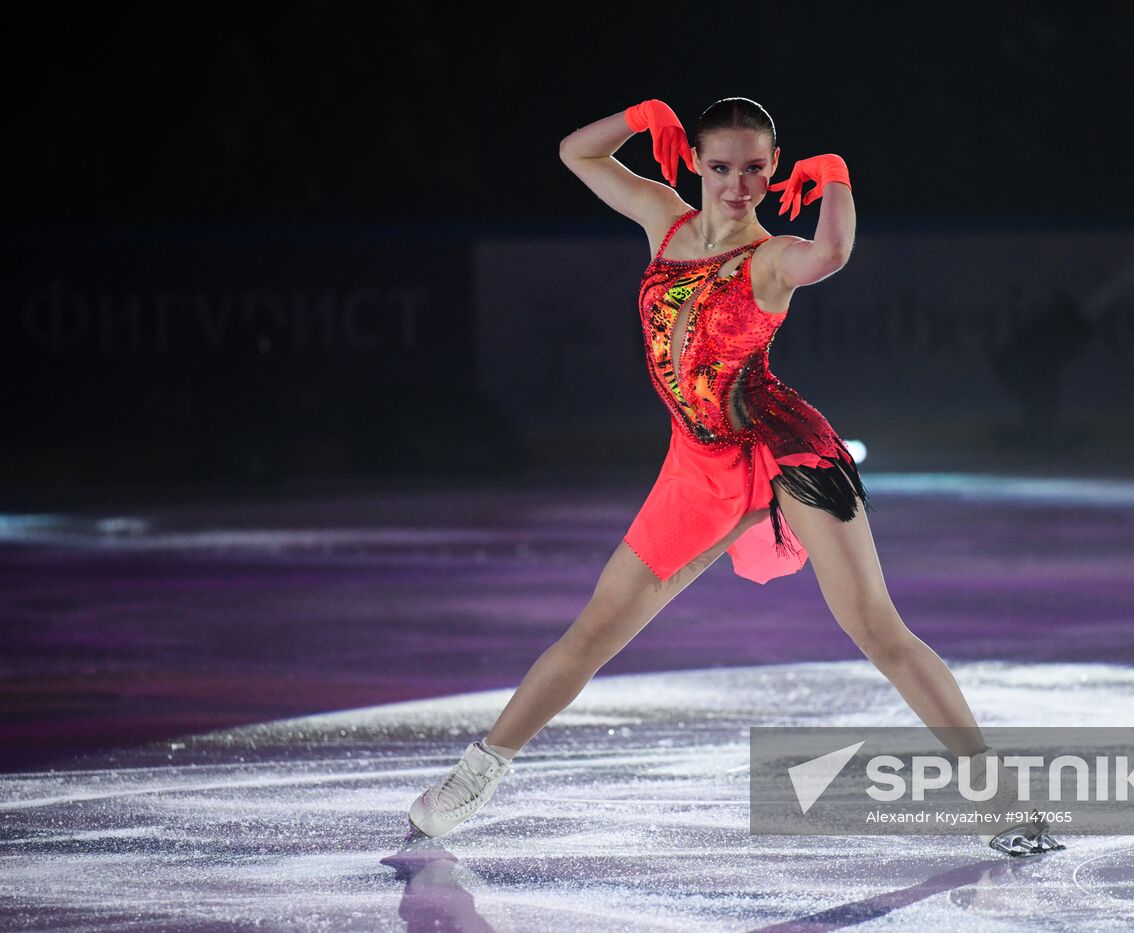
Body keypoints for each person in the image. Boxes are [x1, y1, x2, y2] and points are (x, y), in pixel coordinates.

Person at [407, 97, 1064, 857]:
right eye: (721, 167)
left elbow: (833, 254)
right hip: (698, 462)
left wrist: (839, 179)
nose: (737, 185)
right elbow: (574, 154)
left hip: (785, 451)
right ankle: (476, 774)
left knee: (877, 628)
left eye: (755, 169)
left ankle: (999, 798)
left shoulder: (771, 257)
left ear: (773, 169)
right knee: (594, 628)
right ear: (694, 160)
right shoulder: (665, 219)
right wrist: (638, 113)